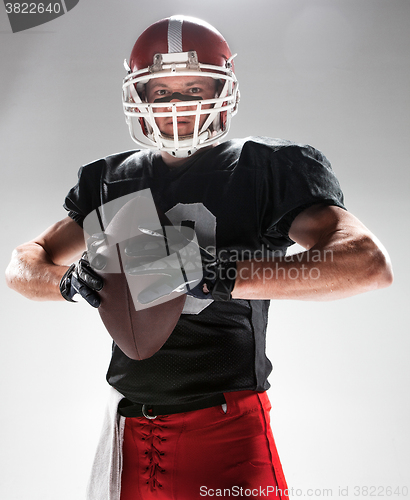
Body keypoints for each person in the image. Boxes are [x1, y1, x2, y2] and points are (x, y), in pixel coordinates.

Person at [5, 15, 393, 500]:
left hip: (226, 424)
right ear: (138, 98)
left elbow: (365, 262)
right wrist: (65, 282)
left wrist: (220, 273)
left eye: (193, 89)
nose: (177, 106)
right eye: (162, 92)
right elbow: (23, 262)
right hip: (127, 424)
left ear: (223, 89)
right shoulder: (110, 179)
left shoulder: (263, 167)